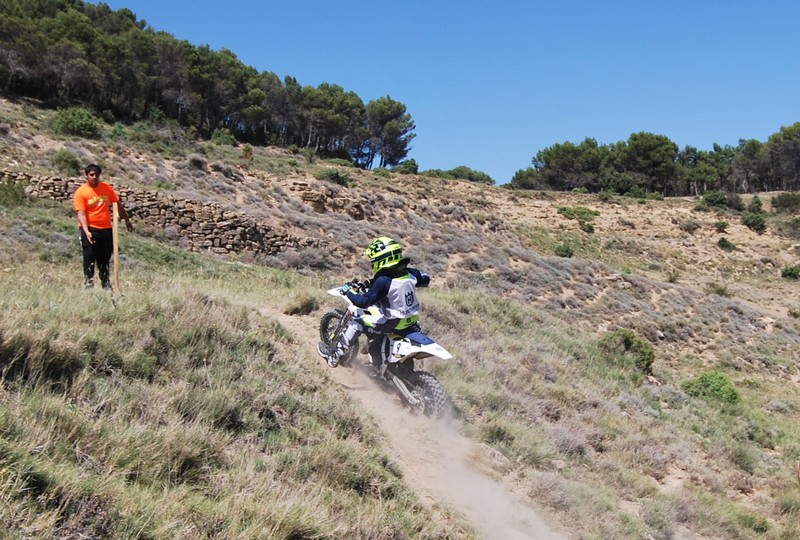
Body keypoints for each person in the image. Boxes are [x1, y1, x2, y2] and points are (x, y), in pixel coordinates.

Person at [317, 236, 430, 368]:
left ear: (383, 259)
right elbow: (425, 279)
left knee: (357, 322)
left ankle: (334, 357)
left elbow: (363, 302)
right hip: (411, 322)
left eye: (374, 260)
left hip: (392, 323)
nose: (373, 262)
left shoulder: (383, 281)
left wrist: (348, 291)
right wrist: (371, 283)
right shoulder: (411, 273)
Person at [73, 164, 133, 289]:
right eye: (91, 175)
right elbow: (81, 214)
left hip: (106, 229)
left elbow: (117, 205)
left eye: (96, 175)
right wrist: (86, 231)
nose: (94, 177)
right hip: (90, 229)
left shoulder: (106, 188)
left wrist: (127, 220)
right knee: (89, 256)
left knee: (104, 258)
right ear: (86, 176)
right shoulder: (81, 192)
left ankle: (106, 283)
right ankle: (89, 282)